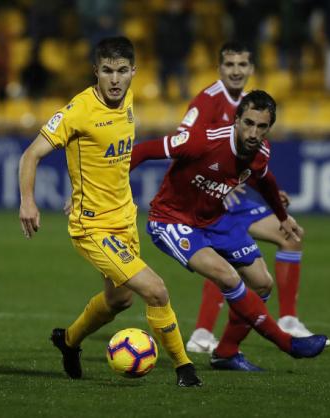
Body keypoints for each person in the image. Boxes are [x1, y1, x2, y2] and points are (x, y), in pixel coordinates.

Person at [18, 36, 202, 387]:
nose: (115, 80)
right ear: (96, 72)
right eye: (106, 71)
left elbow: (111, 158)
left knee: (119, 300)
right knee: (156, 290)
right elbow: (31, 155)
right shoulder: (78, 111)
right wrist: (28, 201)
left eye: (121, 71)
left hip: (125, 219)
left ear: (133, 71)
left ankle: (69, 341)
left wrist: (82, 188)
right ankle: (185, 369)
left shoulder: (128, 99)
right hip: (93, 228)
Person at [131, 90, 328, 370]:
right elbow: (142, 151)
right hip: (172, 220)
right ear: (236, 120)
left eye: (262, 127)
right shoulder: (203, 140)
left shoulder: (260, 151)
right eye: (248, 123)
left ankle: (226, 352)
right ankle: (287, 343)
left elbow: (264, 179)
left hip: (215, 219)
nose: (253, 132)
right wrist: (103, 191)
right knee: (227, 276)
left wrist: (282, 216)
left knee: (262, 282)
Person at [178, 42, 328, 357]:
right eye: (229, 65)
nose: (235, 71)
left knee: (290, 237)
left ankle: (287, 319)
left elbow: (250, 162)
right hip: (208, 199)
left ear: (251, 69)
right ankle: (203, 333)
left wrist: (264, 189)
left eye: (241, 65)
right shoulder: (207, 102)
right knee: (226, 259)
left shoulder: (251, 105)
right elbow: (182, 147)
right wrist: (213, 183)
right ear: (219, 68)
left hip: (237, 197)